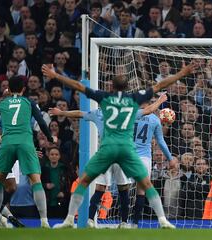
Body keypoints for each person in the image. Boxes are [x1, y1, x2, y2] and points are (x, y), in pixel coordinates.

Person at [41, 61, 196, 229]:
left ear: (112, 87)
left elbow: (78, 85)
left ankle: (69, 220)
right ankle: (163, 220)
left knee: (84, 181)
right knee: (146, 184)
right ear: (127, 87)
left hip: (107, 148)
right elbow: (160, 86)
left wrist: (56, 75)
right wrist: (182, 73)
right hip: (126, 149)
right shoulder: (134, 99)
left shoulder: (104, 98)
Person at [48, 93, 175, 228]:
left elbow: (79, 113)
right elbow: (150, 116)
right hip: (125, 155)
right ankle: (131, 222)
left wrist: (62, 112)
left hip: (107, 154)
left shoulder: (98, 113)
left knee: (96, 186)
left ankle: (85, 219)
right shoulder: (126, 115)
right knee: (131, 189)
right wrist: (160, 101)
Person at [0, 76, 55, 228]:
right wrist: (49, 137)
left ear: (8, 89)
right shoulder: (29, 102)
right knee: (36, 180)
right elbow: (41, 122)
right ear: (23, 89)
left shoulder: (1, 103)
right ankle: (44, 221)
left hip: (7, 143)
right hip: (25, 143)